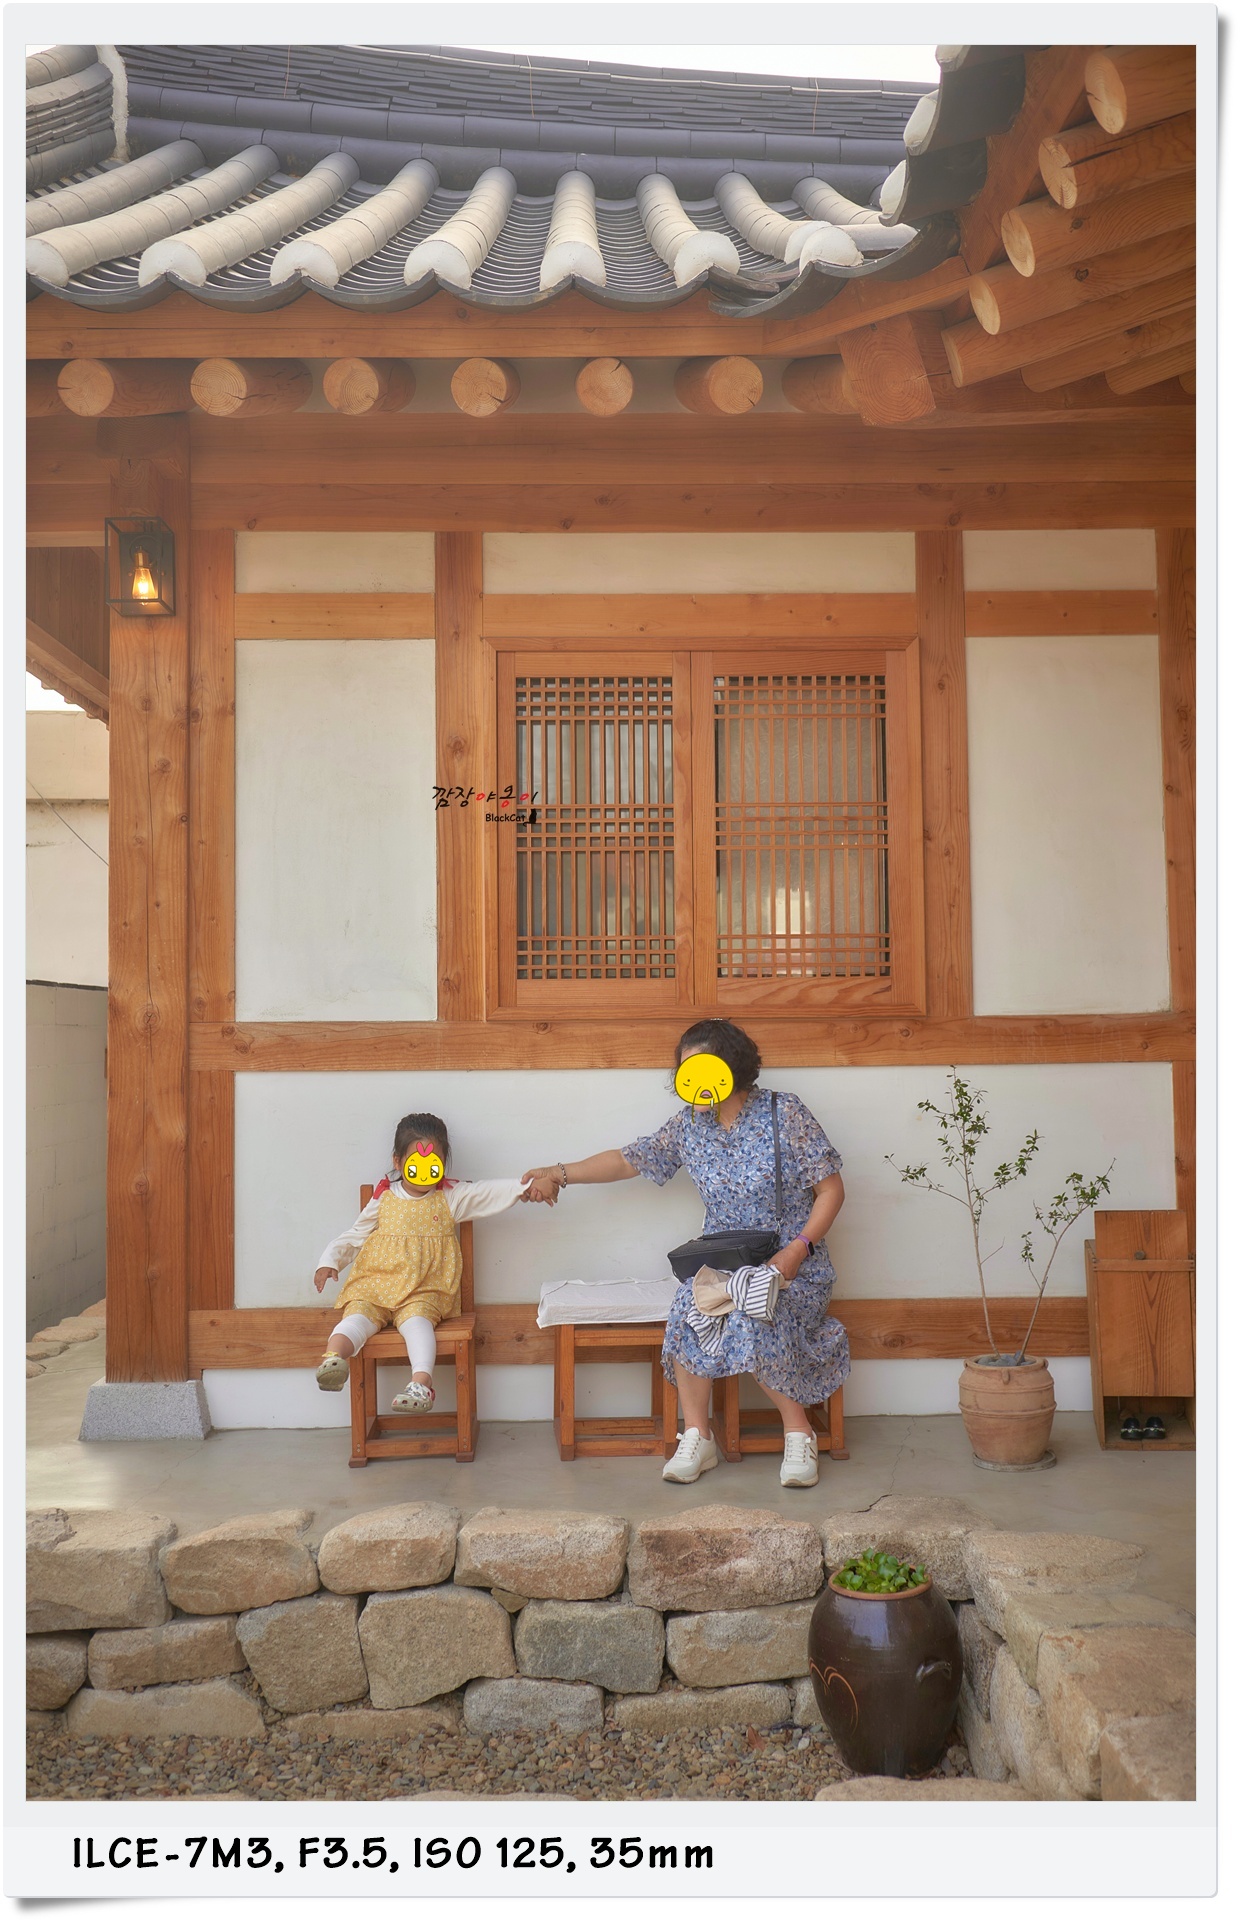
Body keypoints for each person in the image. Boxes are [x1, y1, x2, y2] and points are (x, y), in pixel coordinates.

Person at [523, 1019, 847, 1489]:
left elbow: (831, 1191)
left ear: (732, 1066)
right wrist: (558, 1172)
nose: (690, 1081)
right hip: (722, 1264)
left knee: (751, 1311)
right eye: (684, 1072)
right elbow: (627, 1159)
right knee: (687, 1308)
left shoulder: (785, 1113)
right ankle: (698, 1437)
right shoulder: (690, 1125)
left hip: (793, 1267)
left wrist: (798, 1250)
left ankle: (798, 1433)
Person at [313, 1111, 557, 1414]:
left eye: (433, 1165)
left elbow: (487, 1191)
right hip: (375, 1285)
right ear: (398, 1161)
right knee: (355, 1317)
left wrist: (526, 1186)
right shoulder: (384, 1197)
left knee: (418, 1324)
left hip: (423, 1290)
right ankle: (334, 1359)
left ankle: (421, 1382)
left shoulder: (449, 1197)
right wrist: (330, 1261)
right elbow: (355, 1234)